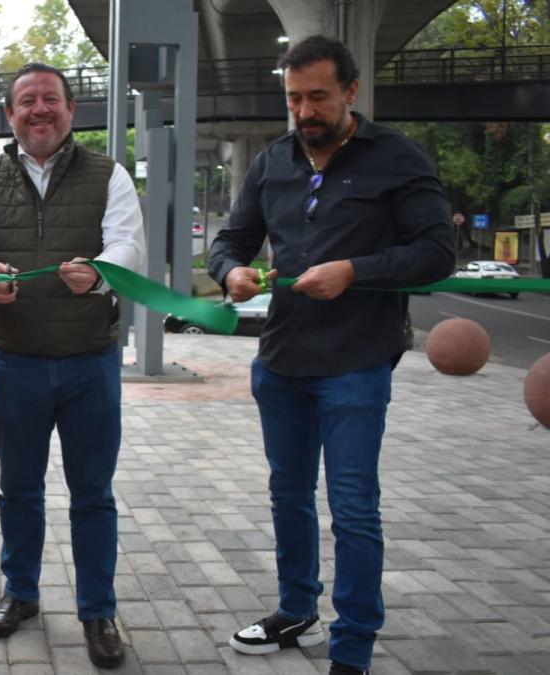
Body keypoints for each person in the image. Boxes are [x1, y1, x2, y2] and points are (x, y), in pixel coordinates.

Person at [207, 36, 455, 675]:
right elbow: (232, 238)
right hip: (282, 359)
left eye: (318, 96)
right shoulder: (271, 162)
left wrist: (355, 269)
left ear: (351, 91)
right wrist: (231, 269)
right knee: (288, 494)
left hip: (356, 362)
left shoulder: (398, 160)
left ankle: (352, 652)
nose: (305, 110)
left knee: (352, 508)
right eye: (294, 98)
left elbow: (435, 254)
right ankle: (295, 610)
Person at [0, 62, 144, 669]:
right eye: (26, 101)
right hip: (16, 361)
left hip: (91, 362)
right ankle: (20, 594)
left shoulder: (110, 175)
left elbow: (128, 245)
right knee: (18, 489)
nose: (39, 110)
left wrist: (103, 271)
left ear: (70, 109)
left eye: (50, 99)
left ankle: (98, 610)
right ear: (9, 114)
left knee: (93, 495)